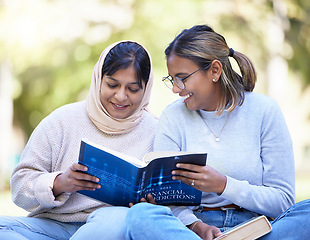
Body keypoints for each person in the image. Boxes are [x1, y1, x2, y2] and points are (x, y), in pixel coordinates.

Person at [126, 24, 310, 240]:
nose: (176, 88)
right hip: (198, 232)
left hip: (258, 229)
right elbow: (169, 202)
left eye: (182, 78)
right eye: (172, 79)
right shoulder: (173, 117)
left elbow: (283, 201)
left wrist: (224, 185)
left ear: (214, 70)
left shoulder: (264, 110)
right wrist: (195, 226)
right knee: (140, 216)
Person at [0, 40, 157, 240]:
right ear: (99, 79)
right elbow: (20, 187)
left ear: (146, 88)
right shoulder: (62, 120)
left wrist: (149, 205)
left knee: (118, 219)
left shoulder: (155, 131)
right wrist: (59, 183)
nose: (120, 96)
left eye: (133, 89)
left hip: (109, 228)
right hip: (51, 226)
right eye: (112, 84)